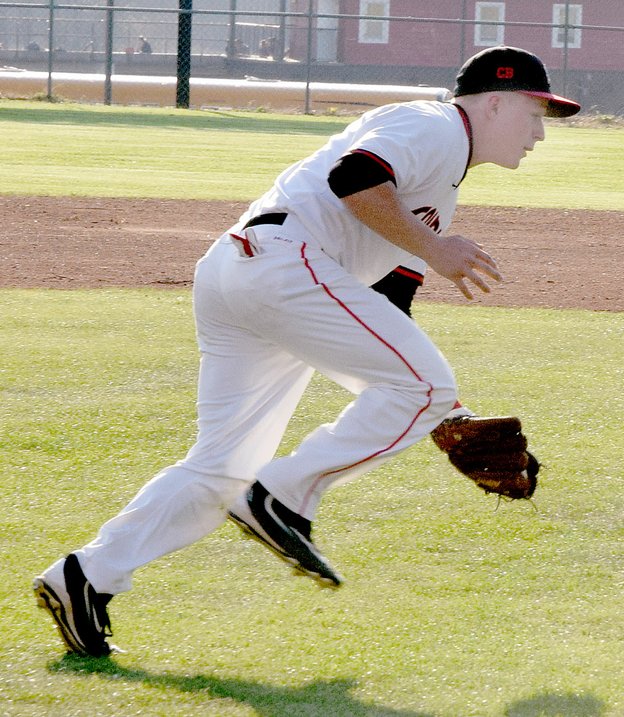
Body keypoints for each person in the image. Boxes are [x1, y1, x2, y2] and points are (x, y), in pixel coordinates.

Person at [32, 45, 580, 658]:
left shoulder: (443, 176)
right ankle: (282, 496)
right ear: (495, 101)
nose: (539, 133)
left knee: (222, 467)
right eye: (535, 114)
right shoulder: (432, 125)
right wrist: (437, 251)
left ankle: (84, 577)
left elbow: (388, 307)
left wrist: (444, 415)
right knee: (420, 387)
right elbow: (354, 179)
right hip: (284, 265)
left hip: (251, 276)